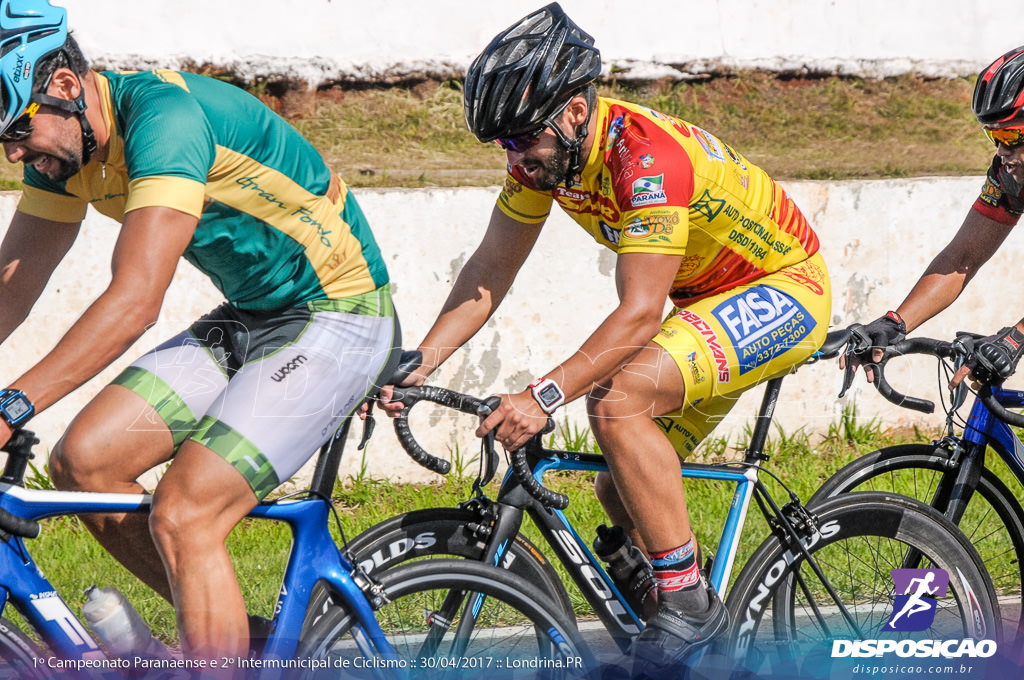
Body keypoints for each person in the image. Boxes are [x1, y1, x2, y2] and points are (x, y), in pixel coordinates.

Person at [380, 2, 831, 669]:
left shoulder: (644, 158)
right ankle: (696, 637)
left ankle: (688, 603)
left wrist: (542, 396)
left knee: (616, 402)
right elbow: (491, 268)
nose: (515, 158)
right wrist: (423, 357)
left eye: (521, 138)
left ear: (572, 112)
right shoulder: (549, 159)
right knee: (621, 489)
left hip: (783, 289)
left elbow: (640, 313)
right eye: (502, 143)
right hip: (707, 301)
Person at [0, 0, 398, 661]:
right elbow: (11, 285)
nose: (13, 153)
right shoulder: (66, 150)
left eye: (15, 129)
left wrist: (12, 405)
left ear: (66, 87)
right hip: (255, 315)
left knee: (185, 513)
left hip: (339, 314)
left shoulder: (164, 122)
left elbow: (134, 302)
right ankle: (235, 647)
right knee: (84, 465)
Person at [845, 46, 1024, 388]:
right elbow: (962, 258)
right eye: (994, 137)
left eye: (1011, 136)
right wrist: (896, 323)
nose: (1002, 153)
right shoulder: (1009, 176)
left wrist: (1016, 338)